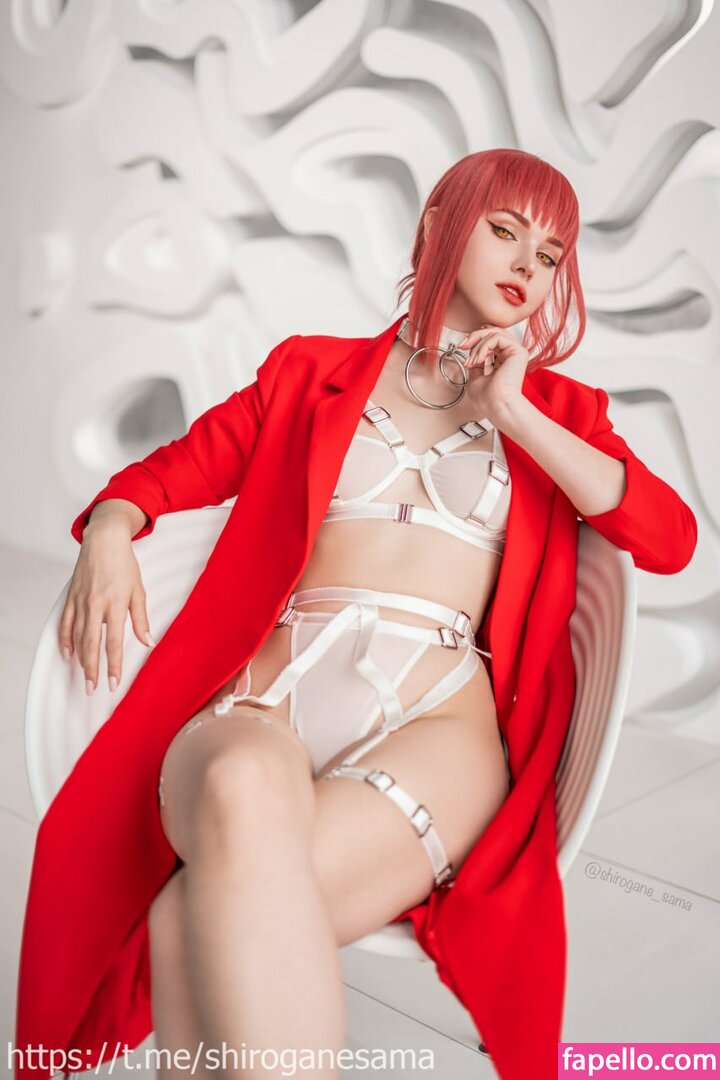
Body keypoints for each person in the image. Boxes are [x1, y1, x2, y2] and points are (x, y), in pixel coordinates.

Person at [15, 150, 698, 1080]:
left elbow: (669, 538)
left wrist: (515, 412)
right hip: (267, 697)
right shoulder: (310, 371)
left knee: (185, 920)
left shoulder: (561, 411)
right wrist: (108, 526)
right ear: (438, 227)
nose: (526, 266)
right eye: (505, 231)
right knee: (221, 827)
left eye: (549, 255)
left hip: (439, 723)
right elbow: (171, 472)